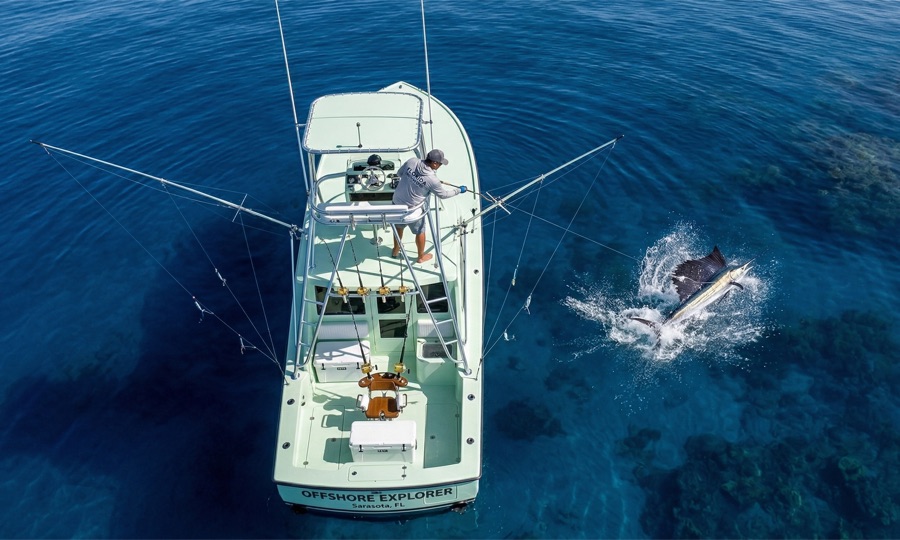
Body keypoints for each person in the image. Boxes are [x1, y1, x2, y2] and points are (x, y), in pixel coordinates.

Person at [391, 149, 467, 263]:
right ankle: (420, 257)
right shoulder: (433, 180)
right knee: (420, 231)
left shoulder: (412, 161)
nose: (441, 165)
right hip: (413, 210)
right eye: (440, 163)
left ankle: (396, 250)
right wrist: (458, 190)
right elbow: (443, 195)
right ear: (434, 163)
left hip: (397, 204)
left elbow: (399, 173)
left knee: (398, 227)